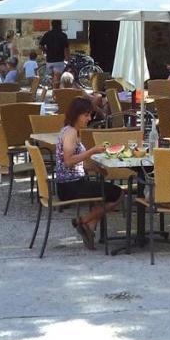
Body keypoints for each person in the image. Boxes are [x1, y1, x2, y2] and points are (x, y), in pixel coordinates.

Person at [54, 96, 123, 249]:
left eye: (90, 115)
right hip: (70, 186)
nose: (89, 118)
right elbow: (68, 161)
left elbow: (78, 162)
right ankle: (83, 221)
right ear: (76, 115)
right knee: (118, 194)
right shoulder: (71, 133)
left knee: (104, 192)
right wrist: (92, 151)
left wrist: (97, 168)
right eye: (86, 115)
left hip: (70, 183)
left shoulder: (70, 131)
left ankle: (89, 228)